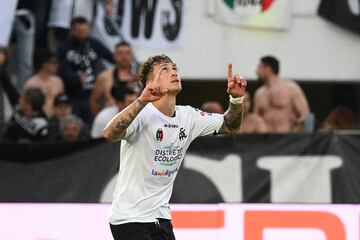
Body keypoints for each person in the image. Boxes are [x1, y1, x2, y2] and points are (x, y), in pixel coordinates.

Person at [103, 55, 247, 240]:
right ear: (149, 82)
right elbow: (109, 134)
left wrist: (236, 100)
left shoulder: (188, 116)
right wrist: (141, 100)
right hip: (129, 219)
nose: (173, 72)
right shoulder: (141, 114)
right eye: (164, 69)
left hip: (161, 219)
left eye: (174, 68)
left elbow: (230, 125)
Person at [58, 17, 113, 125]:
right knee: (74, 122)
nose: (83, 35)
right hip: (73, 93)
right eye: (79, 32)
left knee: (92, 122)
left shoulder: (94, 44)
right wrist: (76, 78)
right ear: (72, 31)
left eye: (85, 31)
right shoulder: (64, 48)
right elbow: (62, 70)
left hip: (92, 94)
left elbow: (111, 57)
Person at [253, 55, 310, 133]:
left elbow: (306, 115)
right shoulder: (259, 93)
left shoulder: (291, 88)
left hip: (287, 139)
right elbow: (255, 119)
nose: (256, 71)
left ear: (268, 68)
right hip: (267, 141)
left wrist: (298, 133)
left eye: (259, 67)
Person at [90, 41, 139, 117]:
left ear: (132, 55)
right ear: (114, 56)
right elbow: (94, 101)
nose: (124, 57)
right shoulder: (104, 77)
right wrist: (101, 118)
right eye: (120, 53)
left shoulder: (141, 75)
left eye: (127, 53)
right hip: (112, 119)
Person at [23, 49, 64, 117]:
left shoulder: (58, 81)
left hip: (55, 120)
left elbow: (62, 103)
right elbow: (26, 106)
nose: (57, 65)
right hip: (37, 119)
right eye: (54, 62)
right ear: (44, 64)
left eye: (57, 62)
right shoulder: (31, 83)